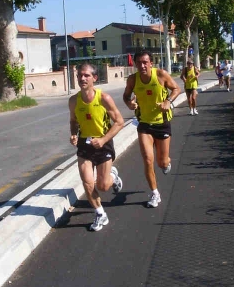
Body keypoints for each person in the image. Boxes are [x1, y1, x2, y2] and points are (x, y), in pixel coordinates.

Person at [69, 63, 124, 232]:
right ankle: (100, 213)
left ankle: (113, 176)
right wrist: (74, 134)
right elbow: (73, 121)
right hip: (85, 144)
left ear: (94, 78)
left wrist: (103, 139)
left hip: (104, 144)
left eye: (86, 75)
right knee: (87, 182)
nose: (82, 78)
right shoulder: (73, 101)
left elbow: (120, 122)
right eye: (80, 75)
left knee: (103, 186)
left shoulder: (104, 99)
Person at [123, 50, 181, 208]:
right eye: (139, 63)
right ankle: (155, 193)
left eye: (145, 62)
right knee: (148, 160)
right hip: (144, 124)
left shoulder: (161, 75)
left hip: (162, 123)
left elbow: (176, 89)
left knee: (162, 162)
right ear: (135, 64)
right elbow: (126, 96)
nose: (142, 65)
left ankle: (166, 163)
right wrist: (129, 104)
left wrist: (168, 101)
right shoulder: (133, 80)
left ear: (150, 63)